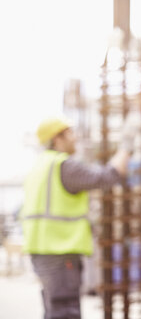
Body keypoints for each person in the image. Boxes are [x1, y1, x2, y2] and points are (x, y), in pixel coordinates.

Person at [20, 115, 133, 319]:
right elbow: (106, 177)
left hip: (41, 251)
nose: (76, 138)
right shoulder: (63, 166)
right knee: (65, 312)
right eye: (70, 133)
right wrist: (126, 148)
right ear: (57, 139)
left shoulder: (38, 167)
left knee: (53, 309)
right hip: (60, 251)